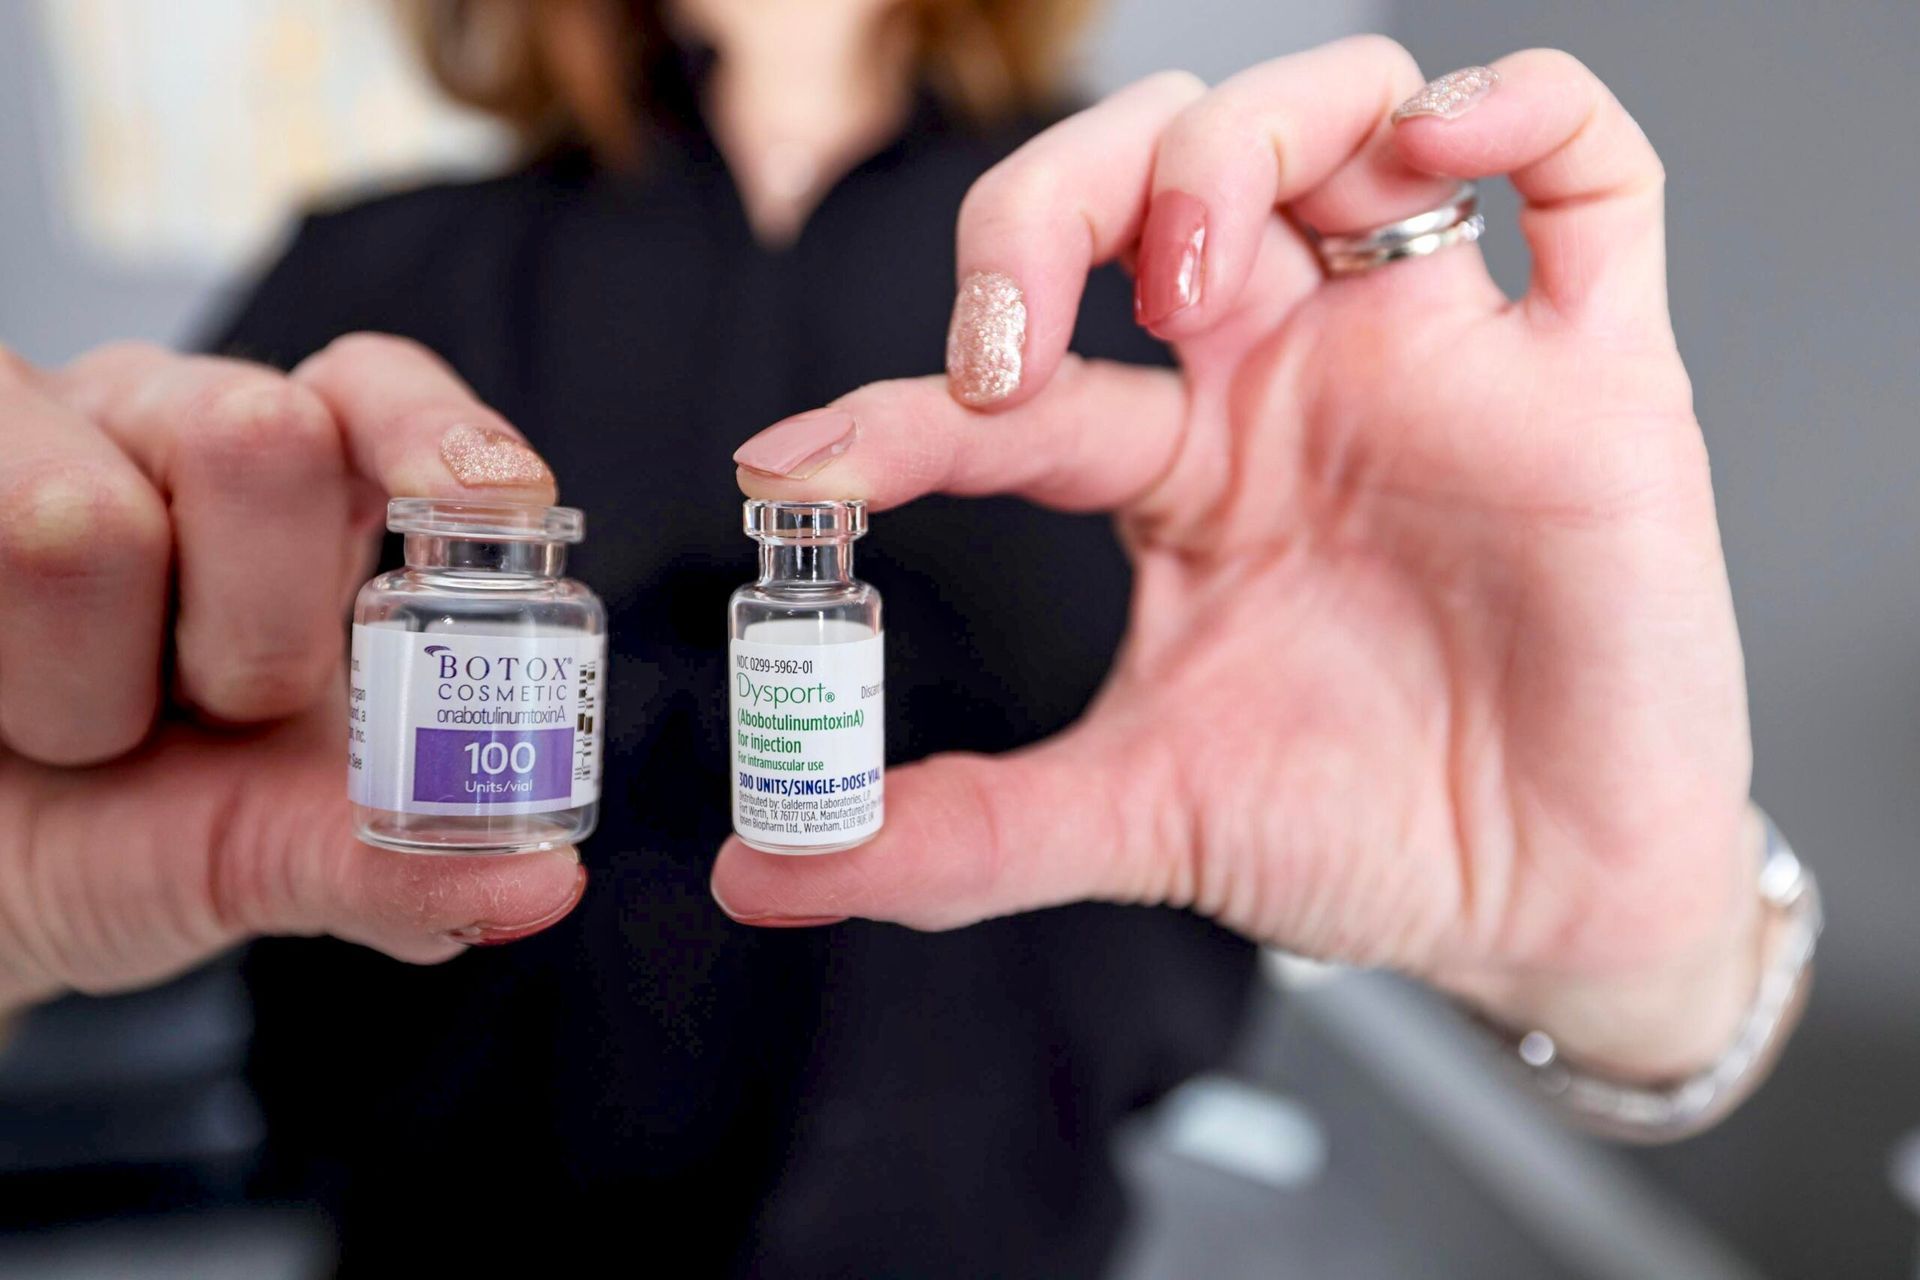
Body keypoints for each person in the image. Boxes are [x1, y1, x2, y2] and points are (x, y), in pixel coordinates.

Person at [0, 0, 1805, 1272]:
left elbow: (1645, 980)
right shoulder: (367, 274)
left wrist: (1629, 936)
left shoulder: (1196, 284)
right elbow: (125, 782)